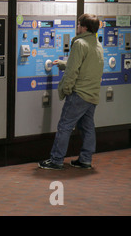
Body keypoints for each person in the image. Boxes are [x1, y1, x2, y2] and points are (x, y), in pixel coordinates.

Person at [38, 13, 104, 170]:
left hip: (79, 94)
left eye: (79, 24)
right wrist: (62, 63)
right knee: (87, 127)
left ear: (84, 27)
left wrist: (65, 89)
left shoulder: (79, 44)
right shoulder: (98, 45)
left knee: (64, 126)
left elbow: (72, 72)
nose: (77, 27)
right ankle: (86, 159)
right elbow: (85, 66)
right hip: (92, 94)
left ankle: (56, 160)